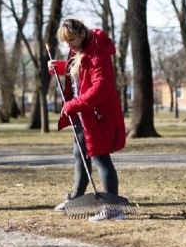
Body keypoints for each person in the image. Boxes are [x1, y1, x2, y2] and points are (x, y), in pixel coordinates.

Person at [48, 19, 127, 221]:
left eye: (72, 39)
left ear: (82, 33)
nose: (70, 45)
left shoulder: (98, 50)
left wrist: (74, 104)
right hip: (84, 114)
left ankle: (113, 209)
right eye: (66, 42)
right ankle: (76, 198)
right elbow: (80, 70)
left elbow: (101, 88)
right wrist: (60, 66)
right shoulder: (81, 49)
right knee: (80, 154)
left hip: (99, 115)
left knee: (100, 158)